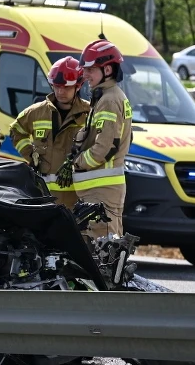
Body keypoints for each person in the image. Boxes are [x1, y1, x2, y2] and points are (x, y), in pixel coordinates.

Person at [56, 39, 133, 239]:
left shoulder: (109, 100)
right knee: (97, 246)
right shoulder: (106, 97)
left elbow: (105, 147)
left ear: (107, 70)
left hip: (102, 191)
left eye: (90, 69)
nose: (85, 74)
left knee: (103, 248)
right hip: (98, 191)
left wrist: (77, 163)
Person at [8, 56, 92, 209]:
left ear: (78, 86)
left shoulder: (90, 113)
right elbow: (16, 131)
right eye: (57, 86)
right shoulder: (36, 112)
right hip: (43, 196)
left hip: (77, 196)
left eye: (66, 87)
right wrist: (30, 154)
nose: (60, 92)